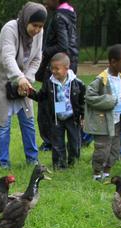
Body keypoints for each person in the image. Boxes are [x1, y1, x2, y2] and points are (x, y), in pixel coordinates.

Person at [0, 2, 46, 169]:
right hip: (2, 81)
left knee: (28, 122)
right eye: (34, 25)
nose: (37, 30)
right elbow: (8, 57)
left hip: (23, 81)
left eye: (41, 26)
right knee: (3, 125)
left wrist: (27, 79)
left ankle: (32, 160)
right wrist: (19, 78)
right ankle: (4, 164)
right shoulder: (10, 29)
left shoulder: (39, 34)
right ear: (26, 20)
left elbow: (36, 59)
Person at [34, 0, 79, 151]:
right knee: (61, 103)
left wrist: (44, 52)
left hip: (56, 67)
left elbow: (63, 45)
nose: (44, 2)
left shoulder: (59, 17)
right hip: (68, 66)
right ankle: (62, 139)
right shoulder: (70, 14)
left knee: (47, 106)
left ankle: (50, 142)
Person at [84, 44, 121, 181]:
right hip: (103, 122)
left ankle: (107, 170)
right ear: (113, 62)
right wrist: (109, 101)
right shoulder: (102, 79)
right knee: (102, 149)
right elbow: (89, 96)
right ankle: (97, 172)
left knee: (115, 148)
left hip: (117, 121)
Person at [32, 53, 85, 169]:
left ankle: (74, 162)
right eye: (52, 68)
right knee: (57, 143)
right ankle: (59, 164)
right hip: (56, 118)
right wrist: (30, 93)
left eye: (57, 69)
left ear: (66, 68)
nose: (54, 71)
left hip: (72, 117)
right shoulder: (49, 83)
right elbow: (41, 97)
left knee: (74, 142)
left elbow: (82, 101)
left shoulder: (78, 83)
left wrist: (83, 116)